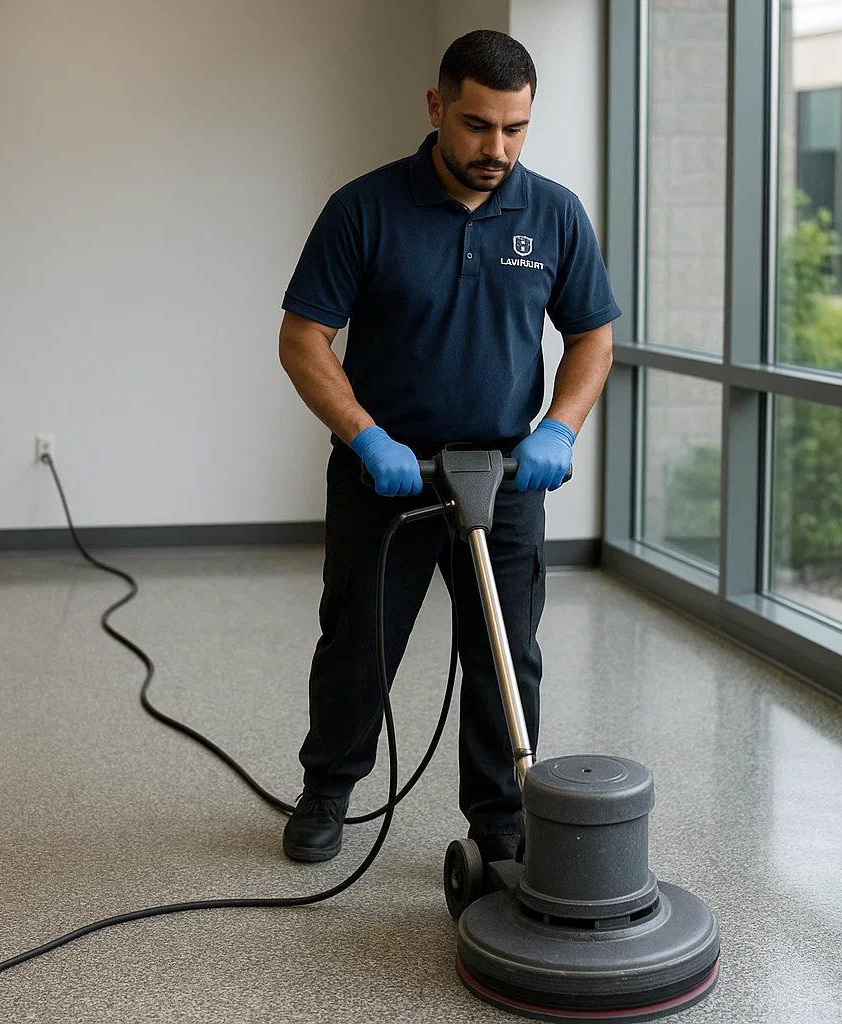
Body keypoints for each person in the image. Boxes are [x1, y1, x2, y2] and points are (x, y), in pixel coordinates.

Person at [277, 29, 620, 864]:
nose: (495, 148)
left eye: (514, 129)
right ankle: (329, 788)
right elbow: (303, 339)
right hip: (386, 474)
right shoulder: (364, 208)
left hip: (505, 476)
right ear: (437, 108)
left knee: (506, 654)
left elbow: (592, 338)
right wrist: (363, 433)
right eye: (476, 126)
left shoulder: (555, 214)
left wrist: (560, 426)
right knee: (360, 640)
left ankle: (500, 819)